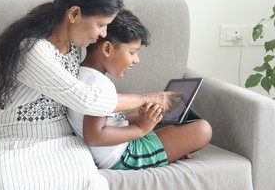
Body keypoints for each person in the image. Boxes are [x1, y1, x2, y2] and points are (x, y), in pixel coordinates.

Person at [0, 0, 176, 190]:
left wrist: (136, 119)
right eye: (101, 25)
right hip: (10, 141)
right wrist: (146, 98)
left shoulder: (75, 47)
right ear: (74, 13)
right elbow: (87, 99)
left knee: (90, 184)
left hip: (59, 140)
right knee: (10, 185)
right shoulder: (32, 50)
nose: (103, 34)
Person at [67, 9, 212, 170]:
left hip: (120, 147)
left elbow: (105, 124)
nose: (136, 60)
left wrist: (140, 119)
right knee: (202, 129)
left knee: (169, 124)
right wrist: (140, 128)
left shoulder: (83, 76)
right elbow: (94, 136)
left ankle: (175, 146)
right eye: (132, 52)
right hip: (125, 156)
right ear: (107, 49)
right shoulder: (99, 85)